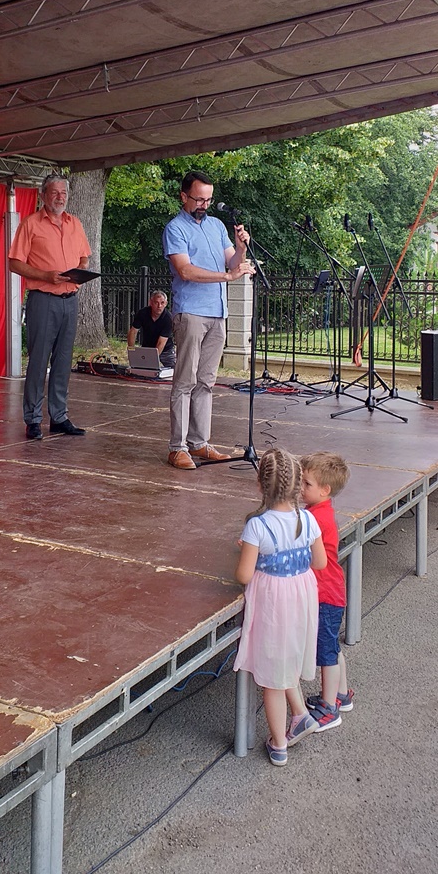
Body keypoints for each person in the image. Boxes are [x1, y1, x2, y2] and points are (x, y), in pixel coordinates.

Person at [234, 448, 327, 766]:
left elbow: (244, 575)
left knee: (272, 676)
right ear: (298, 486)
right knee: (286, 659)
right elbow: (320, 562)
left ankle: (279, 743)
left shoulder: (257, 526)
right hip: (301, 596)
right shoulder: (308, 519)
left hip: (274, 602)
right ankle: (300, 715)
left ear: (260, 485)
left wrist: (250, 551)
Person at [162, 169, 252, 470]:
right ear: (183, 196)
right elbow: (185, 271)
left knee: (206, 382)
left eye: (208, 200)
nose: (204, 205)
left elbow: (233, 261)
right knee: (185, 381)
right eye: (199, 199)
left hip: (218, 312)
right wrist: (227, 276)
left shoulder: (215, 226)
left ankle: (199, 442)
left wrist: (241, 248)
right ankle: (177, 448)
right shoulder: (175, 228)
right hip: (191, 312)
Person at [8, 175, 90, 440]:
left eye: (63, 192)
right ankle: (33, 419)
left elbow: (84, 257)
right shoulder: (30, 223)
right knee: (38, 360)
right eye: (54, 192)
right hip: (43, 299)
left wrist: (82, 269)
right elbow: (14, 263)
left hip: (70, 299)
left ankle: (59, 416)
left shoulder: (75, 223)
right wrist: (45, 275)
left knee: (63, 361)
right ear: (43, 195)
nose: (60, 197)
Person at [300, 451, 354, 730]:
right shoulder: (319, 511)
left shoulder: (315, 519)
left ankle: (329, 707)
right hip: (331, 591)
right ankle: (341, 695)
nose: (300, 487)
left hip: (325, 595)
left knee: (326, 653)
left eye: (306, 483)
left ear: (325, 489)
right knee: (331, 647)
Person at [127, 290, 175, 368]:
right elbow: (133, 332)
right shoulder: (143, 313)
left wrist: (152, 360)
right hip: (147, 348)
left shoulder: (168, 318)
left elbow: (161, 342)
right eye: (156, 303)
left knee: (174, 370)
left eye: (162, 303)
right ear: (151, 302)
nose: (159, 306)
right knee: (139, 369)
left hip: (165, 350)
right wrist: (132, 351)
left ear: (166, 304)